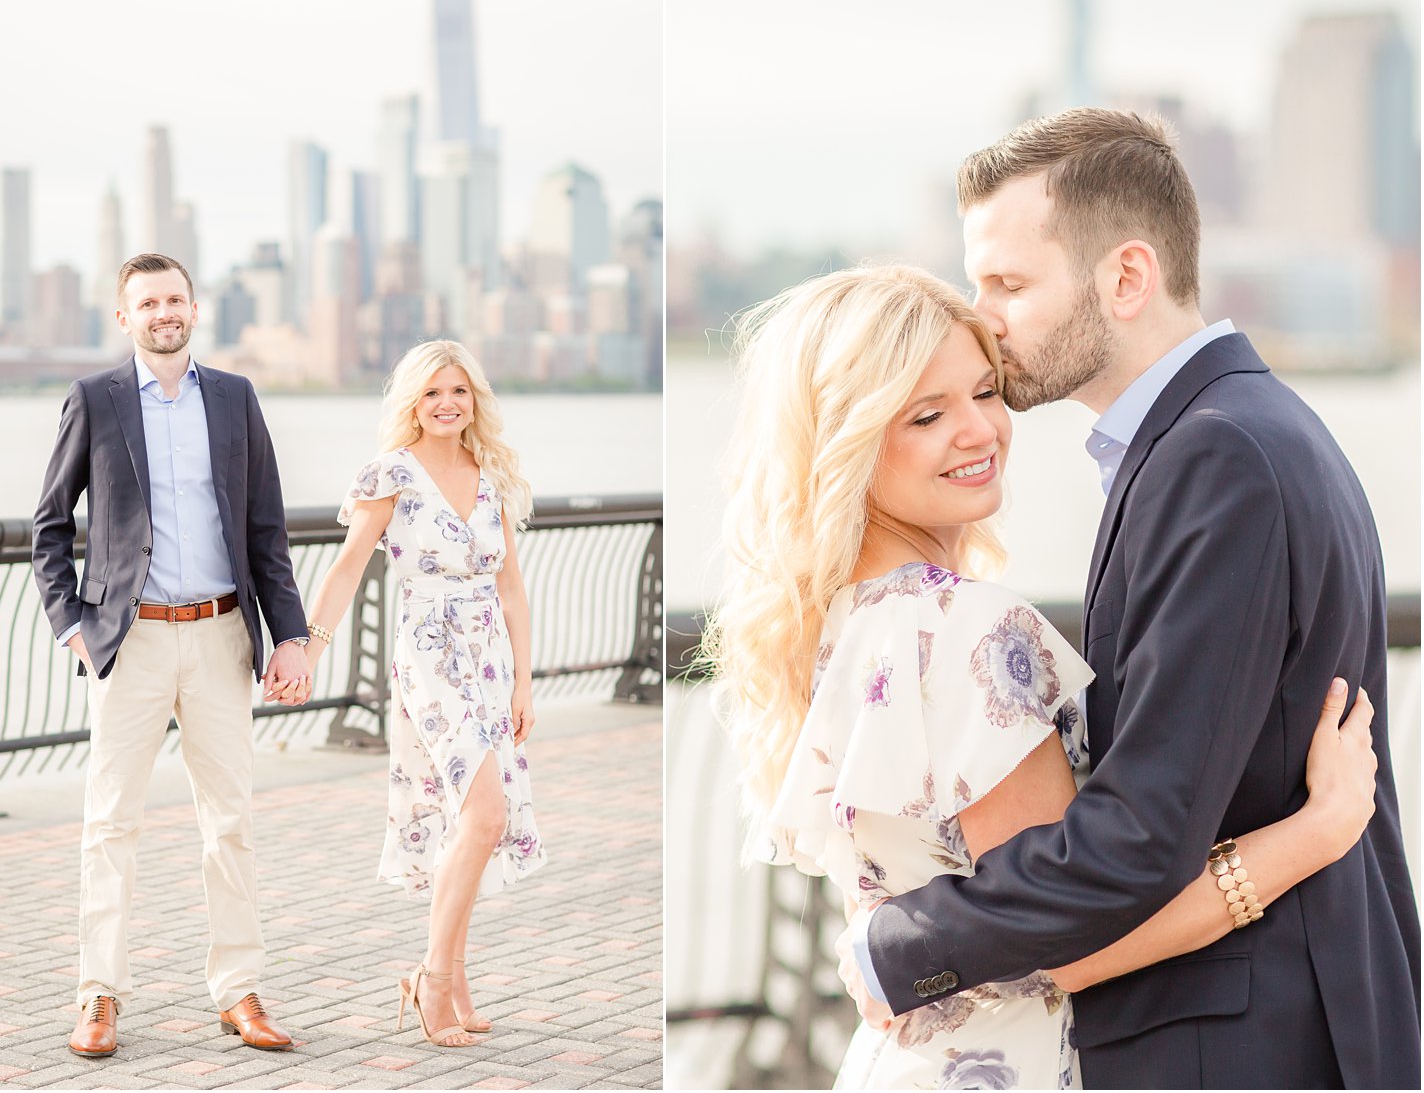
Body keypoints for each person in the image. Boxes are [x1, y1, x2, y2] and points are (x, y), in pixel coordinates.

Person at [847, 110, 1420, 1088]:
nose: (983, 317)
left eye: (1009, 284)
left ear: (1125, 277)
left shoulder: (1217, 457)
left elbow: (1144, 831)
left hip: (1240, 1040)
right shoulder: (1232, 433)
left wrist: (893, 947)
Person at [704, 264, 1382, 1088]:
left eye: (985, 393)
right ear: (846, 441)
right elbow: (1070, 946)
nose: (979, 431)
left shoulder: (839, 624)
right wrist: (1317, 834)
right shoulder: (968, 628)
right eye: (927, 413)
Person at [32, 253, 311, 1058]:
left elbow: (267, 529)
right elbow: (50, 526)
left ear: (195, 307)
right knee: (109, 823)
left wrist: (287, 635)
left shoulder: (233, 397)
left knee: (231, 823)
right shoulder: (94, 400)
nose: (165, 312)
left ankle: (240, 993)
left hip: (223, 634)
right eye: (148, 302)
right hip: (131, 642)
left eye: (175, 298)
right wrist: (73, 627)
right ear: (124, 317)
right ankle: (98, 997)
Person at [294, 339, 545, 1049]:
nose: (446, 404)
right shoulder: (392, 475)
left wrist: (526, 680)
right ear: (412, 400)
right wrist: (310, 648)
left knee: (474, 819)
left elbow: (513, 588)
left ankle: (453, 975)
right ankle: (433, 978)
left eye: (459, 391)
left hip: (490, 658)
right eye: (432, 392)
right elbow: (346, 569)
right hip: (431, 654)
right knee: (484, 812)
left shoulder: (489, 474)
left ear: (475, 401)